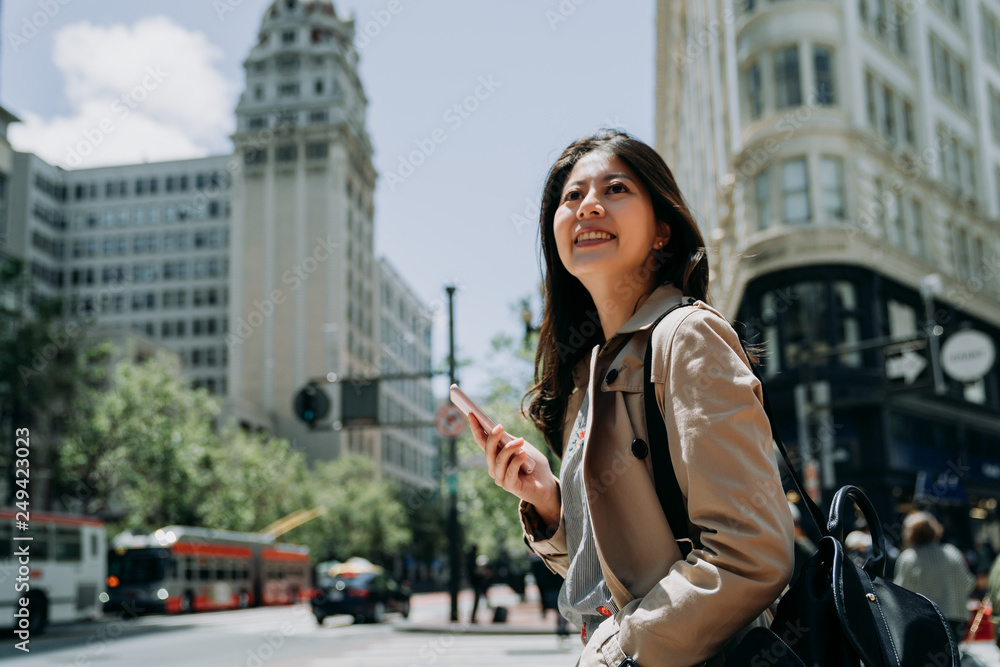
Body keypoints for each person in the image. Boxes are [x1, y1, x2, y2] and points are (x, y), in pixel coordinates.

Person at [468, 130, 794, 666]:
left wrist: (623, 648)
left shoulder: (685, 336)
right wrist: (550, 501)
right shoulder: (590, 376)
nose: (588, 205)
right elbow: (617, 571)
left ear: (662, 230)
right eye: (571, 198)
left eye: (615, 189)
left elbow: (751, 552)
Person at [893, 511, 974, 642]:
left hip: (925, 620)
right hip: (956, 619)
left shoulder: (909, 558)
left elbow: (899, 594)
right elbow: (968, 584)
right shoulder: (952, 552)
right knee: (952, 659)